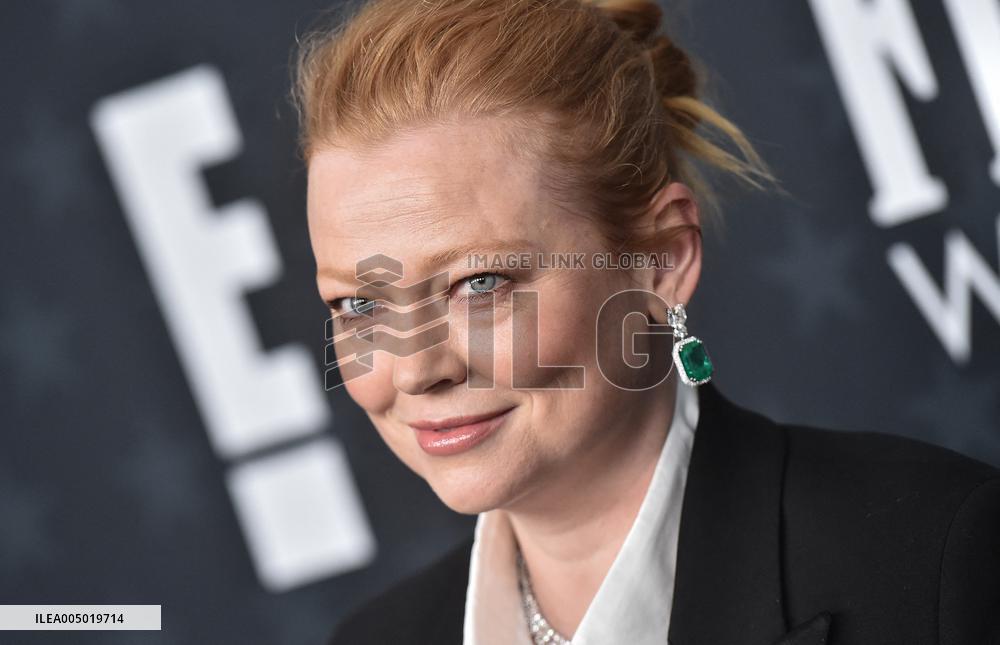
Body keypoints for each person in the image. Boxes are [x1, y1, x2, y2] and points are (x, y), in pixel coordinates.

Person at [292, 0, 1000, 643]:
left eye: (479, 283)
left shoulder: (937, 557)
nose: (416, 369)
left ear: (661, 259)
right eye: (361, 304)